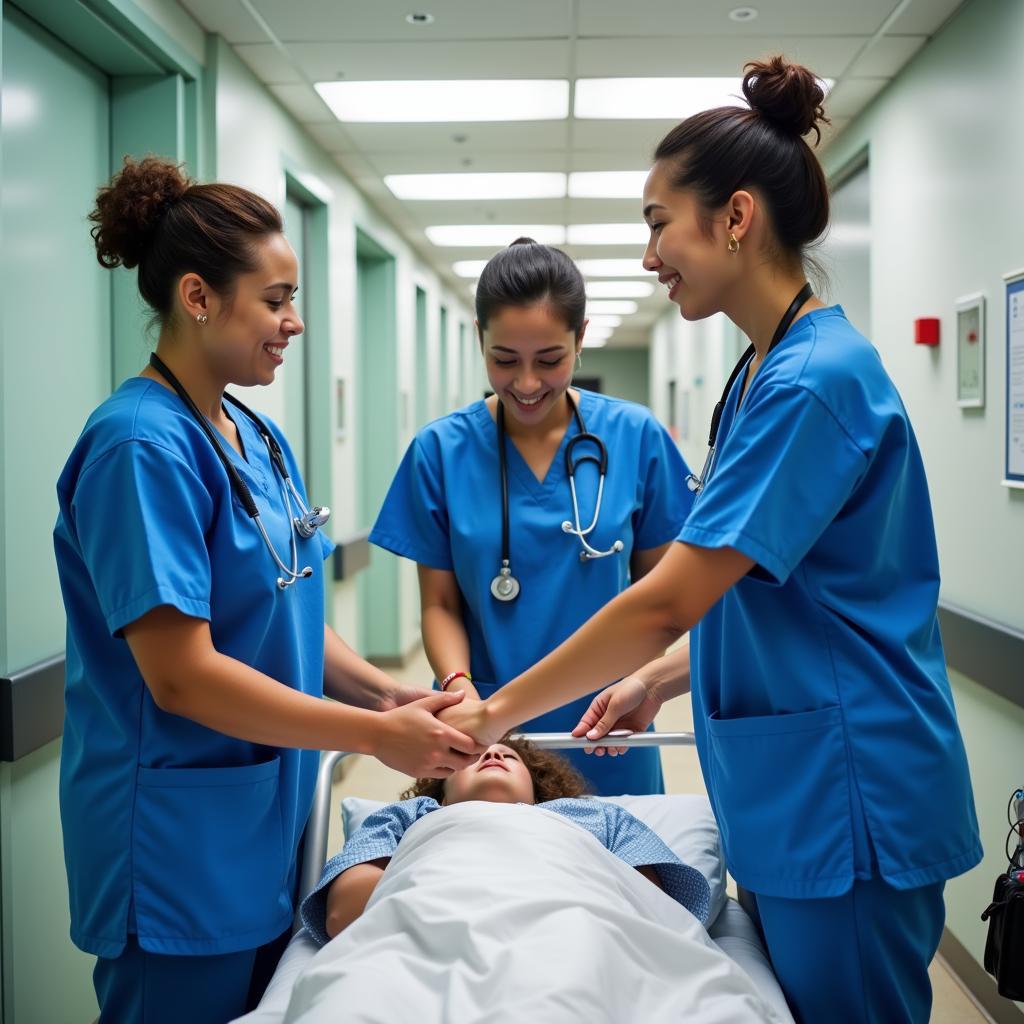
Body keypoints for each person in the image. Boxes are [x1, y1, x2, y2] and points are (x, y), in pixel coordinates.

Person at [436, 57, 982, 1023]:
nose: (650, 256)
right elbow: (777, 596)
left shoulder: (815, 381)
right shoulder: (764, 374)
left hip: (846, 792)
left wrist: (494, 715)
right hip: (793, 789)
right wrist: (659, 681)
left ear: (735, 218)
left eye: (658, 224)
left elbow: (669, 596)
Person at [54, 156, 481, 1024]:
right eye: (277, 300)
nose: (296, 323)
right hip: (176, 847)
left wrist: (393, 694)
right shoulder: (141, 446)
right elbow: (182, 674)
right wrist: (375, 735)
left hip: (258, 826)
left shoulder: (250, 432)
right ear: (198, 297)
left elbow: (289, 614)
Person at [369, 238, 693, 795]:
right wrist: (458, 685)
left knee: (620, 871)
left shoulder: (636, 439)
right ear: (479, 337)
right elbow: (440, 604)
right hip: (482, 735)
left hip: (605, 725)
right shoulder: (440, 451)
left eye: (549, 360)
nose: (525, 383)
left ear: (581, 338)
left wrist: (645, 682)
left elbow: (667, 599)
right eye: (504, 360)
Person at [299, 737, 711, 946]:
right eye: (472, 754)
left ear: (539, 789)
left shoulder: (593, 817)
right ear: (439, 787)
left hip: (574, 939)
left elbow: (655, 913)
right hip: (431, 937)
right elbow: (344, 916)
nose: (493, 755)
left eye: (509, 756)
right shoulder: (408, 819)